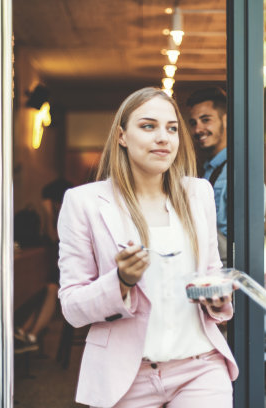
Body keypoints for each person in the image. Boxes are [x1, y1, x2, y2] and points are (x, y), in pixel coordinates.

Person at [58, 87, 238, 407]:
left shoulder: (199, 194)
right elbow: (72, 307)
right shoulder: (83, 202)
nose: (163, 137)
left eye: (172, 128)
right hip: (125, 377)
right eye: (148, 126)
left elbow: (211, 272)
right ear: (122, 136)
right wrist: (121, 281)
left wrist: (218, 294)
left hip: (200, 369)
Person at [14, 178, 72, 355]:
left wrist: (47, 214)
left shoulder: (69, 215)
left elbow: (54, 237)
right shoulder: (58, 214)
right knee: (45, 289)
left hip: (71, 274)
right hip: (55, 271)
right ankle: (26, 333)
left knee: (50, 288)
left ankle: (29, 335)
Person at [186, 87, 229, 266]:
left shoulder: (233, 172)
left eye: (206, 120)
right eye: (194, 123)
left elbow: (235, 238)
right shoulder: (211, 169)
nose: (198, 129)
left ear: (225, 120)